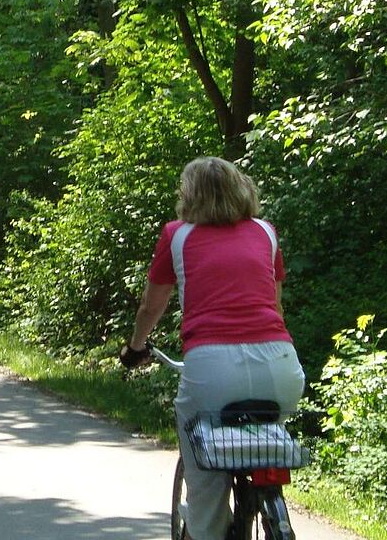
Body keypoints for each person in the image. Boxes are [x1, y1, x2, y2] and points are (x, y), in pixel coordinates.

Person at [119, 157, 305, 540]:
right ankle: (270, 503)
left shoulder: (178, 235)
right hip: (280, 366)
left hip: (212, 370)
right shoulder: (266, 232)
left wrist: (135, 347)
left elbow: (151, 307)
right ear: (242, 188)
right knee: (263, 443)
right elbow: (276, 303)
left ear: (189, 196)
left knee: (204, 474)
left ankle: (206, 529)